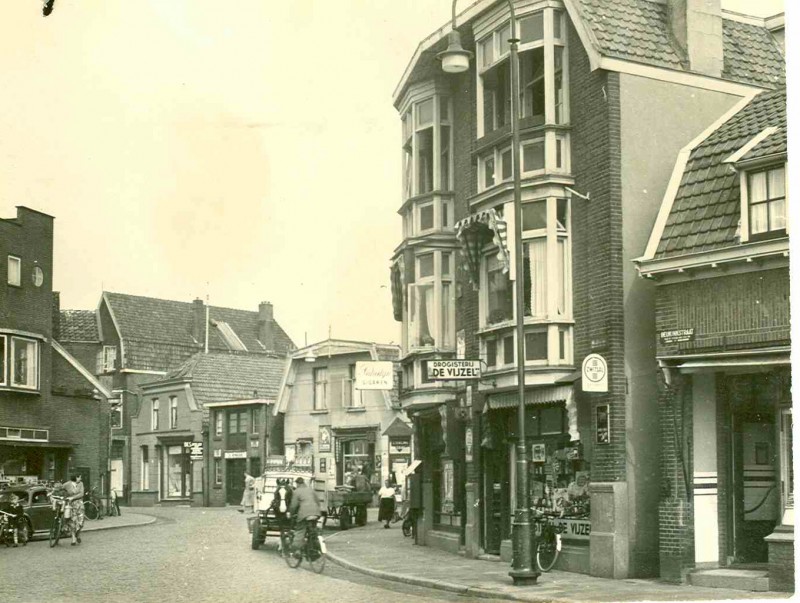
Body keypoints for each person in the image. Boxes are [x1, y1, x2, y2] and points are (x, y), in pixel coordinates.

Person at [288, 477, 321, 556]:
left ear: (298, 484)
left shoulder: (297, 491)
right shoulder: (311, 490)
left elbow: (293, 506)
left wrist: (290, 513)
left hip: (304, 514)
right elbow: (318, 503)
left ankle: (297, 550)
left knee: (300, 530)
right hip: (316, 513)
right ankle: (313, 547)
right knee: (313, 530)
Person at [62, 474, 85, 546]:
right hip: (71, 505)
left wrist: (73, 497)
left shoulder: (81, 484)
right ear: (76, 477)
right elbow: (60, 489)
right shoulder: (67, 484)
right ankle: (73, 539)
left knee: (81, 521)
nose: (80, 478)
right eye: (80, 477)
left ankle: (78, 534)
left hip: (79, 504)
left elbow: (81, 494)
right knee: (73, 521)